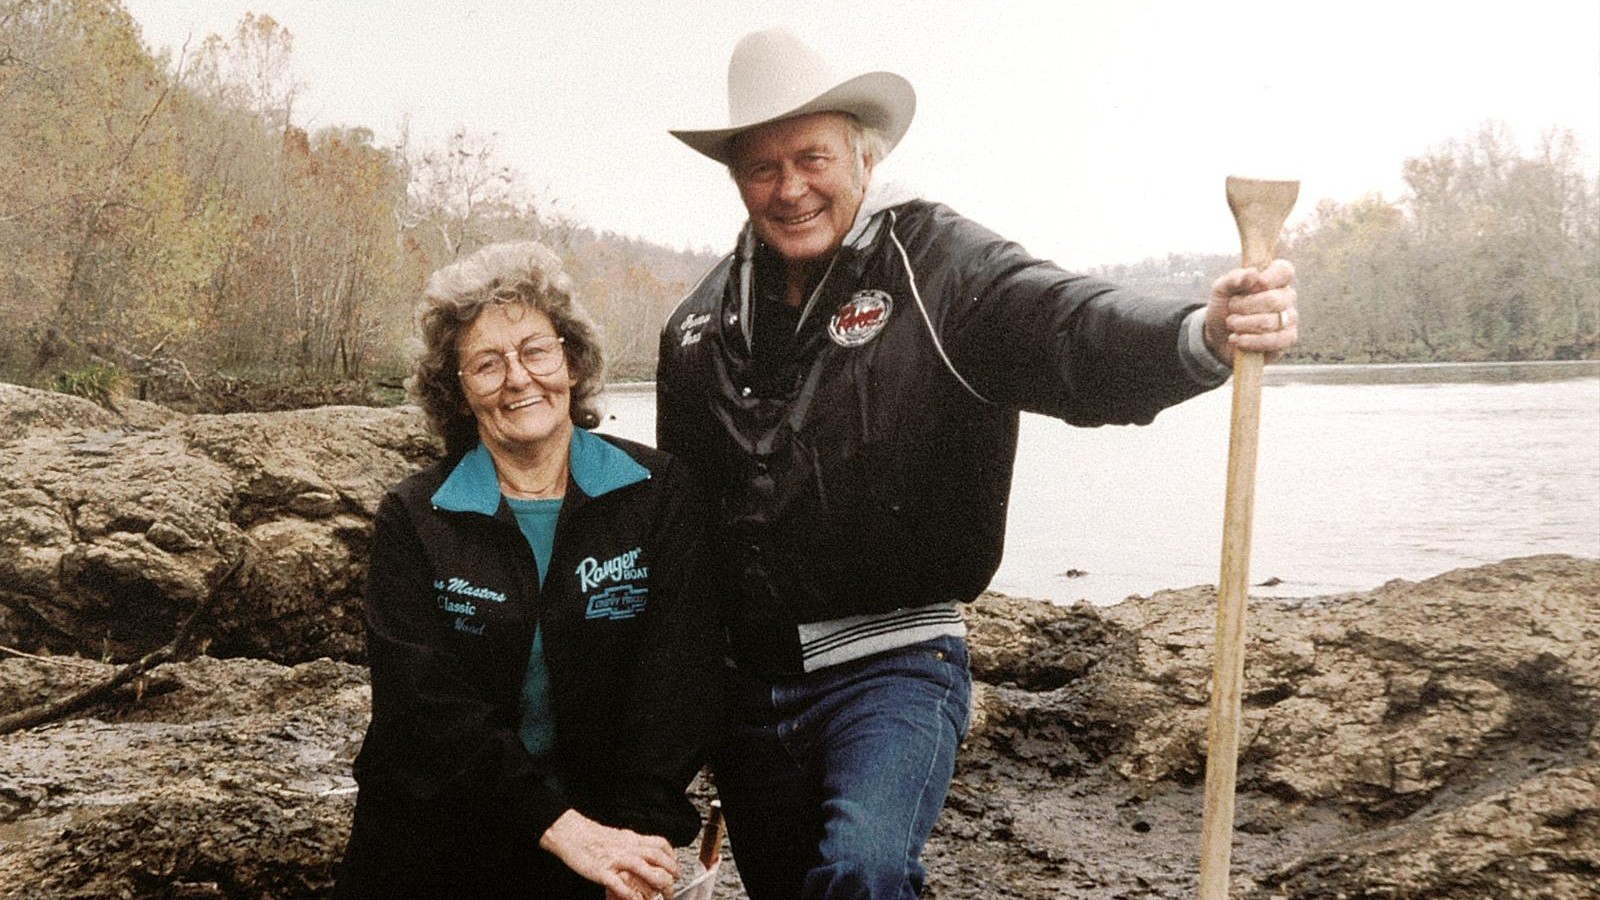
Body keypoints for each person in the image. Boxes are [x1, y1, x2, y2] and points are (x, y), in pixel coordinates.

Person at [656, 28, 1299, 900]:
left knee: (865, 870)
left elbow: (1072, 328)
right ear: (735, 178)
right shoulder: (697, 330)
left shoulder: (944, 269)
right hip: (750, 694)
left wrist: (1202, 334)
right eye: (762, 168)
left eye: (812, 156)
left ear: (864, 155)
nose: (791, 187)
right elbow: (681, 531)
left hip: (894, 665)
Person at [338, 241, 722, 900]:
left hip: (597, 847)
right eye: (487, 363)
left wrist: (634, 838)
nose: (518, 379)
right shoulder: (415, 515)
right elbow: (422, 708)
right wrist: (559, 827)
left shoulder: (658, 494)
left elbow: (677, 683)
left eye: (536, 351)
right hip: (432, 847)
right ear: (456, 391)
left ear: (571, 362)